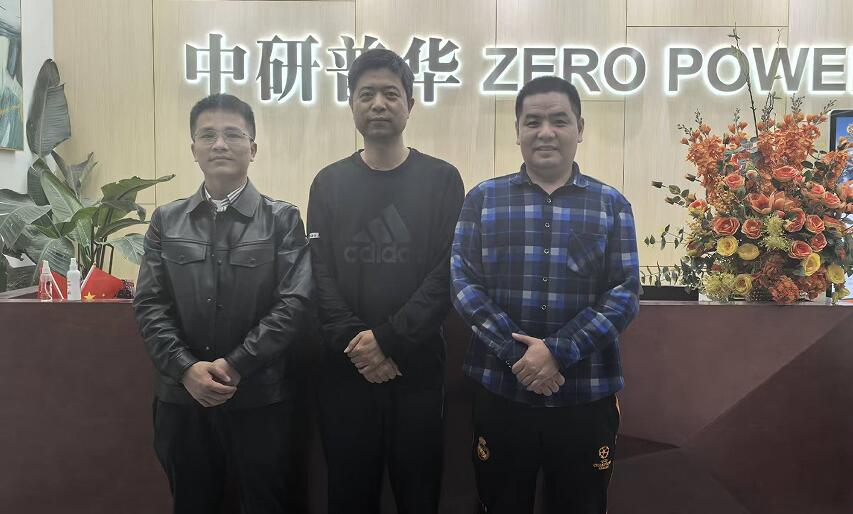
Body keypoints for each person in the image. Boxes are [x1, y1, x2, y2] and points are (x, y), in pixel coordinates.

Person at [451, 76, 640, 514]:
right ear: (517, 131)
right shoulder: (483, 200)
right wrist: (519, 356)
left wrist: (557, 351)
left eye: (559, 120)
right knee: (498, 503)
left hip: (584, 395)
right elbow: (463, 283)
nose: (546, 132)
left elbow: (625, 291)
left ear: (580, 128)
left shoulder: (611, 204)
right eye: (533, 122)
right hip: (502, 392)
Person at [133, 93, 313, 514]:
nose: (219, 144)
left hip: (260, 398)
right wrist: (186, 369)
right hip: (182, 399)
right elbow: (150, 304)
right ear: (193, 148)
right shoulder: (166, 220)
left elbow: (293, 303)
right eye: (208, 135)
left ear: (253, 148)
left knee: (266, 503)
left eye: (233, 134)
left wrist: (235, 365)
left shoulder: (282, 219)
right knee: (192, 502)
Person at [307, 48, 464, 514]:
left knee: (419, 495)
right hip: (345, 370)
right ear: (351, 104)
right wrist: (361, 346)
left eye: (391, 94)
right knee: (348, 495)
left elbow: (447, 272)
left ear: (410, 104)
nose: (378, 104)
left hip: (417, 369)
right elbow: (318, 273)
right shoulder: (328, 183)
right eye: (367, 94)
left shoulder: (442, 180)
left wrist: (389, 340)